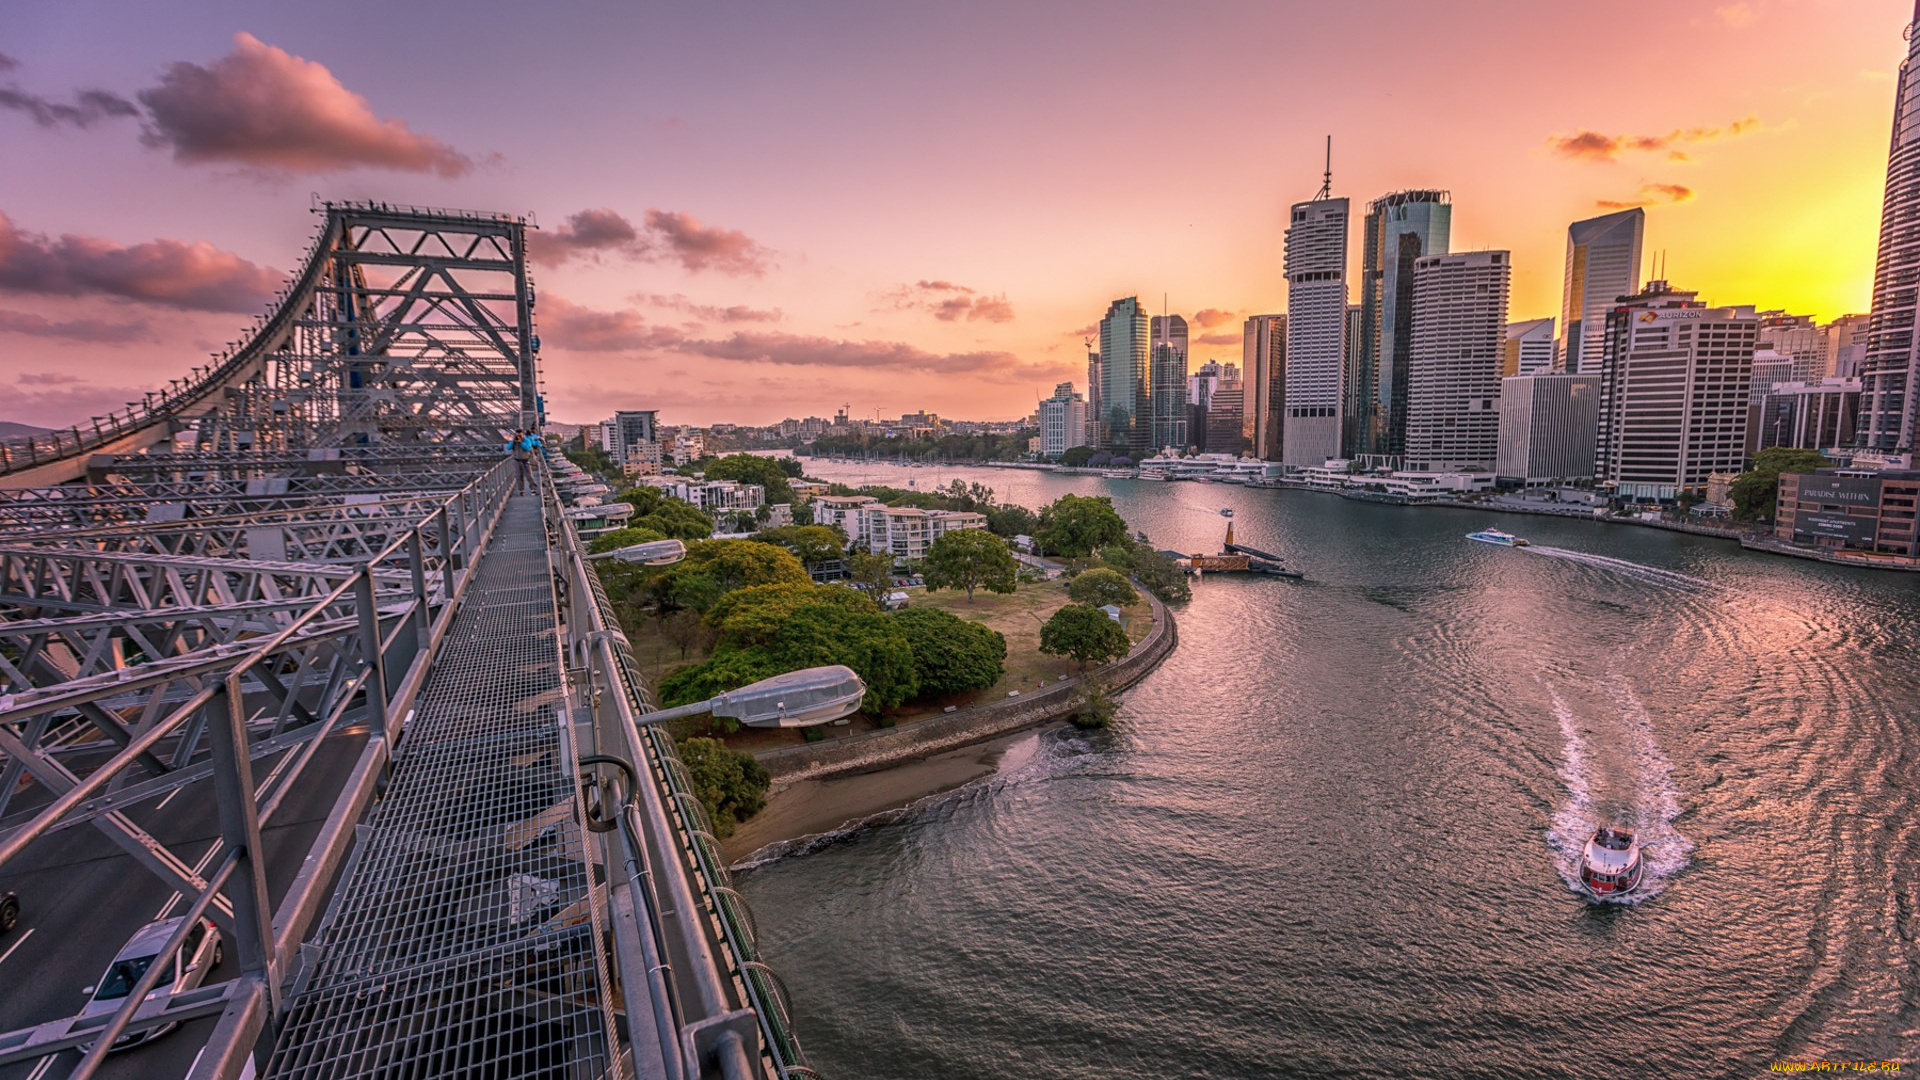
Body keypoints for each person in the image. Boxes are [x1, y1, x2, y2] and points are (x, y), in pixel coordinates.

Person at [508, 428, 533, 494]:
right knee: (518, 476)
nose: (518, 435)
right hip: (516, 460)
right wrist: (513, 441)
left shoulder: (526, 440)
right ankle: (521, 490)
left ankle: (533, 489)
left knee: (529, 476)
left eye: (520, 433)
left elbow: (527, 448)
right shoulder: (513, 441)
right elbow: (508, 447)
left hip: (525, 460)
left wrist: (521, 442)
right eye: (517, 433)